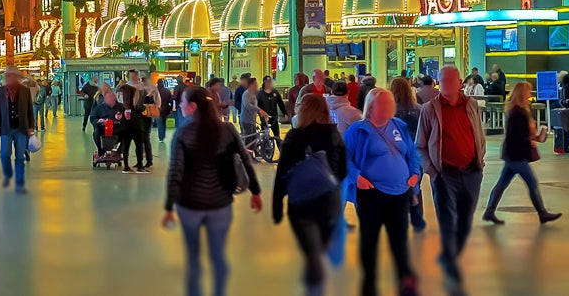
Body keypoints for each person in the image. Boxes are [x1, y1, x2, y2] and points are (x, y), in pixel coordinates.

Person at [162, 86, 262, 296]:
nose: (179, 106)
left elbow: (176, 171)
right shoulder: (227, 130)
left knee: (193, 258)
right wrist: (255, 191)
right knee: (218, 256)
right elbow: (245, 160)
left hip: (189, 205)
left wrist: (169, 206)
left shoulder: (183, 133)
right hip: (220, 203)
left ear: (192, 107)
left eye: (182, 103)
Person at [347, 88, 423, 296]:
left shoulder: (399, 126)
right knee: (370, 238)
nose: (392, 107)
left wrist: (414, 173)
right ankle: (369, 282)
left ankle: (405, 279)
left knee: (399, 238)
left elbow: (412, 153)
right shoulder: (358, 130)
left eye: (392, 103)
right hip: (371, 194)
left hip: (400, 193)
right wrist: (357, 178)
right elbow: (342, 159)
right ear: (372, 107)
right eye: (386, 103)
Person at [416, 65, 485, 291]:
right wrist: (432, 172)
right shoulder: (430, 109)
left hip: (471, 172)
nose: (446, 84)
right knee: (447, 220)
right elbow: (421, 145)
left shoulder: (471, 105)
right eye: (442, 80)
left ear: (459, 83)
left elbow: (478, 133)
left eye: (450, 80)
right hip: (444, 174)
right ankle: (451, 264)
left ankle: (449, 255)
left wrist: (480, 161)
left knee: (465, 220)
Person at [273, 93, 347, 296]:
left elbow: (282, 174)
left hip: (300, 203)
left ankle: (314, 287)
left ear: (302, 110)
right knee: (318, 251)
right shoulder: (333, 134)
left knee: (311, 252)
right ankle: (315, 285)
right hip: (329, 202)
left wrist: (277, 205)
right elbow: (343, 170)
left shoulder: (294, 136)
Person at [481, 80, 560, 226]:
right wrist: (531, 138)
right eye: (528, 92)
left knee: (502, 184)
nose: (530, 95)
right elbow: (516, 135)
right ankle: (542, 213)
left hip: (512, 154)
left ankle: (489, 211)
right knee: (531, 182)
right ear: (522, 94)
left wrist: (534, 137)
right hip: (516, 155)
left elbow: (518, 134)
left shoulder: (517, 111)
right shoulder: (518, 112)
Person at [388, 76, 427, 231]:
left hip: (395, 156)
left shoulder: (389, 111)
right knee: (415, 185)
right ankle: (417, 218)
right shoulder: (419, 109)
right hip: (416, 155)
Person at [0, 68, 38, 191]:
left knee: (20, 156)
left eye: (13, 76)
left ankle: (19, 182)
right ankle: (7, 175)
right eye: (8, 76)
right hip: (5, 128)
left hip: (21, 128)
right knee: (4, 154)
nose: (10, 78)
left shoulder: (25, 91)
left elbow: (29, 110)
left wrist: (31, 128)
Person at [158, 76, 178, 141]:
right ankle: (163, 135)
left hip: (157, 109)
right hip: (165, 109)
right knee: (163, 122)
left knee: (159, 123)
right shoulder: (167, 91)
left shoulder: (156, 92)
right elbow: (171, 100)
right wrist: (171, 108)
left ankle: (161, 137)